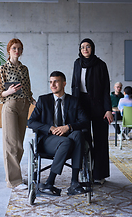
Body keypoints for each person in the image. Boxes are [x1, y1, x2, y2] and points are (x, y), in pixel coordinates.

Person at [28, 71, 88, 196]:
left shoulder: (74, 101)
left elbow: (85, 121)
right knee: (66, 141)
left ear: (64, 83)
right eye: (51, 82)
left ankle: (74, 183)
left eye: (56, 81)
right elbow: (31, 122)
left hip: (69, 139)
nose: (53, 84)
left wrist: (68, 127)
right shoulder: (43, 100)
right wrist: (49, 128)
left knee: (78, 135)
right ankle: (50, 182)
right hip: (49, 140)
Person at [71, 38, 113, 185]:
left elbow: (106, 89)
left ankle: (99, 174)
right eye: (82, 47)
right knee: (84, 139)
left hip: (99, 106)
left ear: (92, 48)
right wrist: (72, 107)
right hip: (81, 105)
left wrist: (108, 110)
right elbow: (73, 85)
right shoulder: (77, 63)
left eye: (88, 46)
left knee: (101, 140)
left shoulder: (101, 65)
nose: (85, 49)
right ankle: (86, 171)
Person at [0, 38, 36, 189]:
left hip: (24, 105)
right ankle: (13, 181)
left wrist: (32, 100)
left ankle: (13, 175)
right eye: (14, 48)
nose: (17, 51)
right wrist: (9, 91)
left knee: (19, 144)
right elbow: (0, 94)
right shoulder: (3, 68)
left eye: (19, 48)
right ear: (9, 50)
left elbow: (28, 88)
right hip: (10, 106)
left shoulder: (24, 69)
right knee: (11, 144)